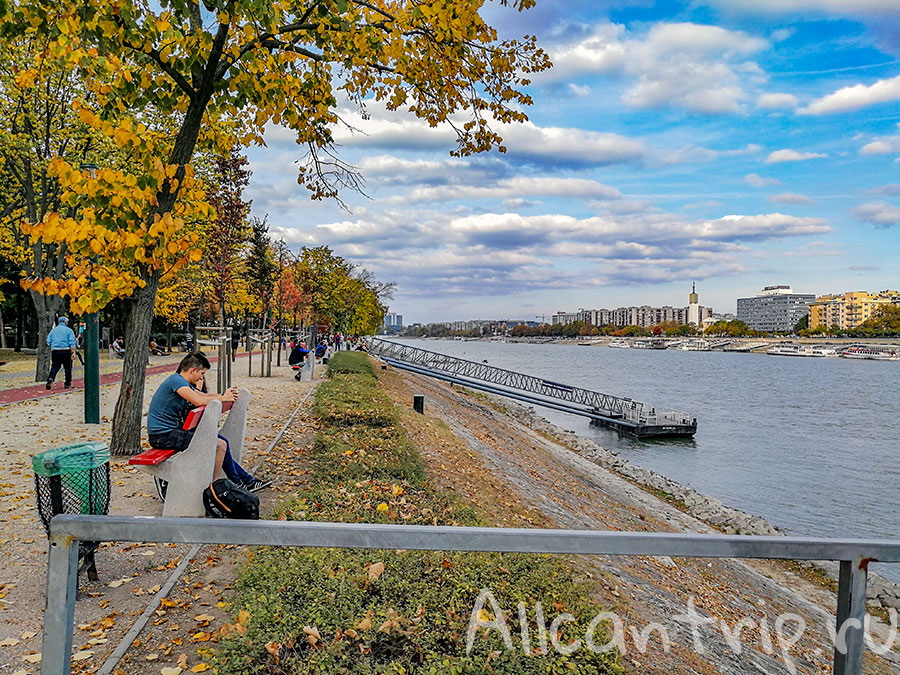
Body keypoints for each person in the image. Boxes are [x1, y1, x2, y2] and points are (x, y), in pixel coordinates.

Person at [147, 352, 270, 492]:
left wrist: (225, 396)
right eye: (201, 373)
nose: (202, 377)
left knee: (221, 441)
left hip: (173, 432)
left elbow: (204, 396)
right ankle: (215, 487)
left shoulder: (183, 382)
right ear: (193, 370)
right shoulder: (176, 381)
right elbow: (198, 400)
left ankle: (244, 481)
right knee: (219, 444)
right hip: (162, 436)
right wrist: (224, 398)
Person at [46, 316, 77, 389]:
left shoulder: (53, 331)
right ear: (66, 322)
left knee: (55, 366)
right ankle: (67, 383)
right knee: (67, 368)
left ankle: (51, 378)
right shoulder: (69, 330)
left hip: (55, 351)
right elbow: (72, 342)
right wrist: (73, 352)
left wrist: (53, 346)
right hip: (65, 350)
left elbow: (48, 341)